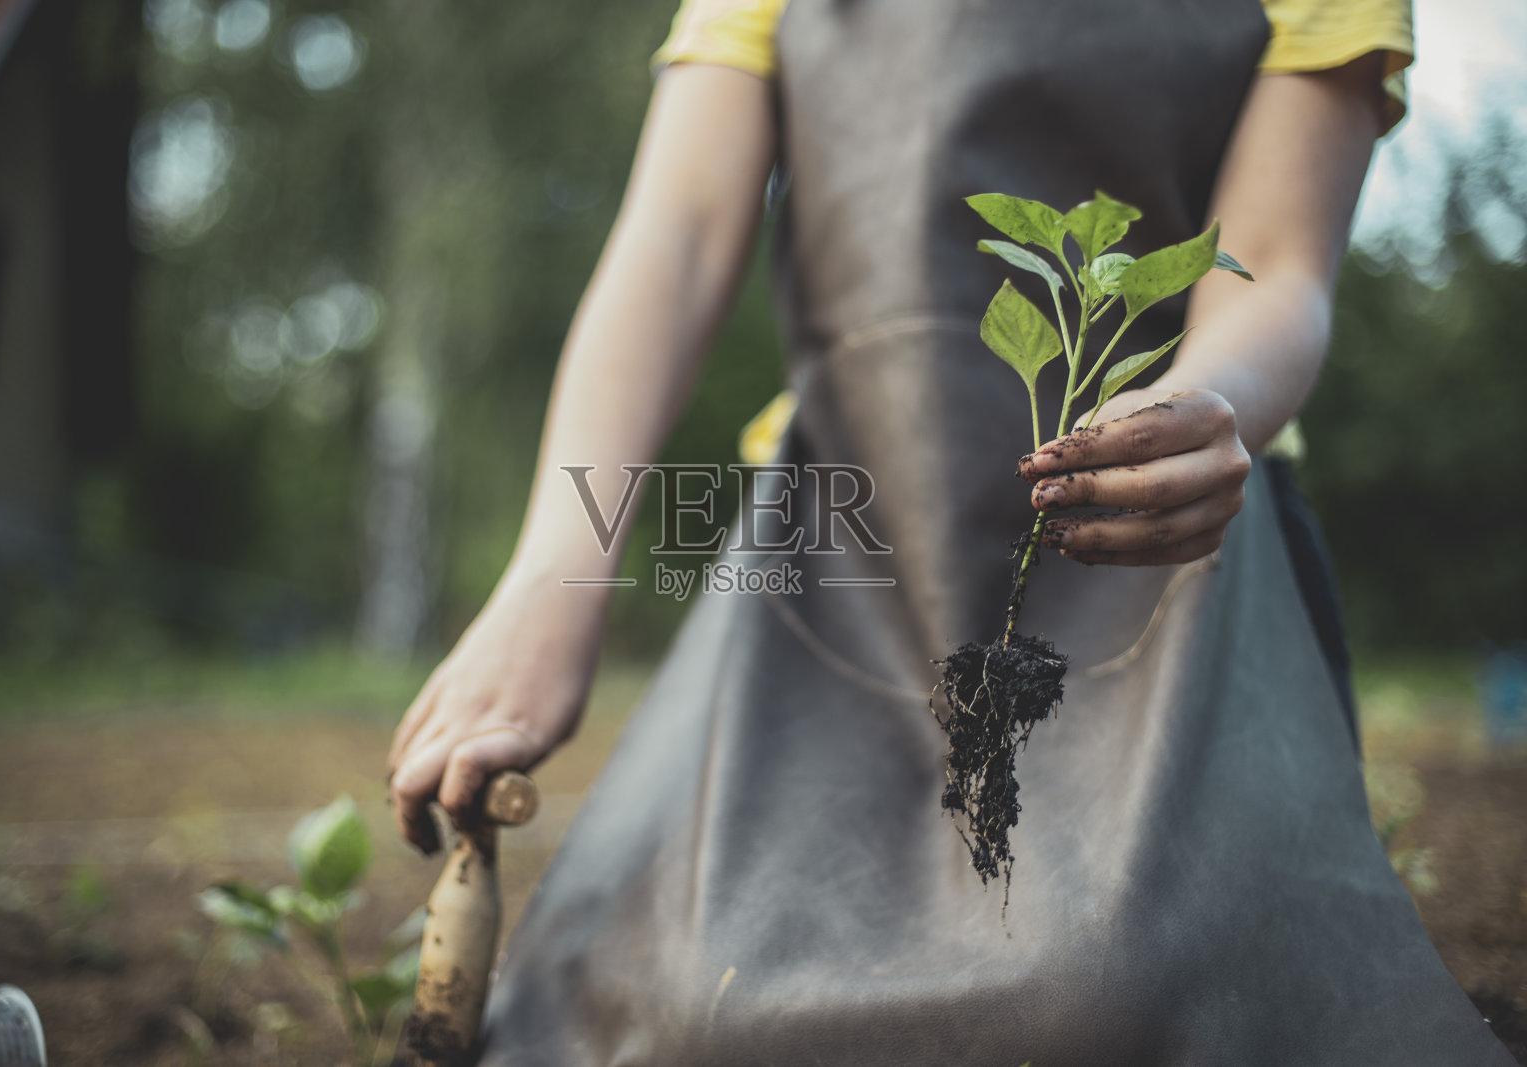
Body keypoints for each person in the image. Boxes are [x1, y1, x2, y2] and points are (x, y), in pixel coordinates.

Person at [387, 0, 1519, 1062]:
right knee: (680, 996)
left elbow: (1276, 261)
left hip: (1161, 540)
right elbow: (675, 238)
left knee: (1125, 988)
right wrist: (556, 574)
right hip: (835, 544)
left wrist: (1201, 406)